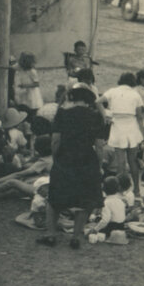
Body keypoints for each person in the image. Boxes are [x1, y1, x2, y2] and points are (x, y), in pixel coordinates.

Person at [40, 84, 106, 248]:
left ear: (72, 98)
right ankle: (76, 237)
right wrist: (99, 164)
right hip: (86, 159)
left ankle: (50, 234)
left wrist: (56, 157)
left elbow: (55, 140)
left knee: (54, 198)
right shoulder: (96, 116)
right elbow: (99, 145)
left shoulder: (62, 114)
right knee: (85, 200)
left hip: (65, 157)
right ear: (88, 101)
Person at [98, 72, 144, 189]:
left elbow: (97, 101)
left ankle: (121, 190)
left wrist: (104, 115)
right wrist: (143, 134)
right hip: (131, 127)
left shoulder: (112, 91)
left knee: (120, 163)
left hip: (118, 126)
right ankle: (136, 189)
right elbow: (139, 117)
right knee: (133, 161)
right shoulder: (135, 94)